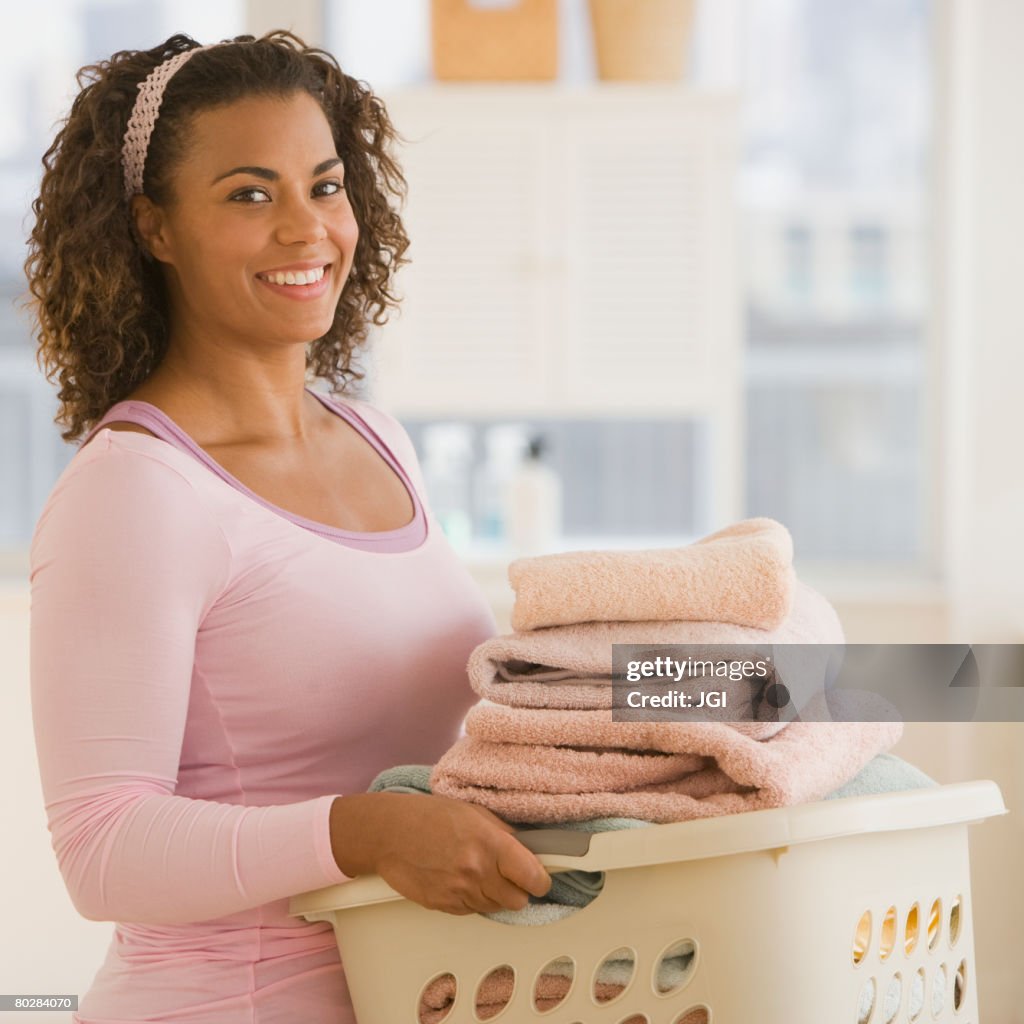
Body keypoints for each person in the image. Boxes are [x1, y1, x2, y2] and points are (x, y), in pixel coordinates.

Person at [25, 30, 551, 1024]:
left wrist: (734, 682)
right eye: (248, 194)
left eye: (324, 185)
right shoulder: (137, 492)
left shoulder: (376, 438)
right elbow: (102, 845)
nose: (306, 229)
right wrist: (359, 832)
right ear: (155, 227)